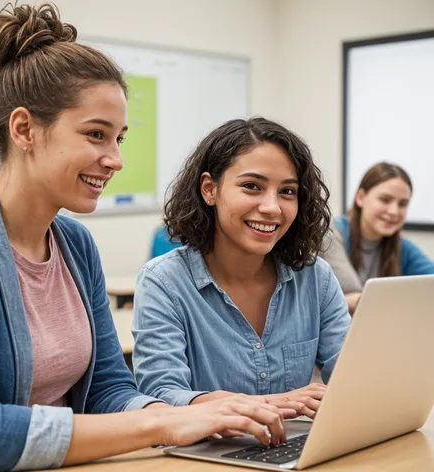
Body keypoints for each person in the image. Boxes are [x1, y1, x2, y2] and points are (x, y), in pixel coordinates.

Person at [0, 5, 287, 471]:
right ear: (24, 129)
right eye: (97, 135)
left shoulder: (75, 245)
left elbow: (107, 388)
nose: (115, 159)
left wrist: (191, 414)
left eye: (119, 139)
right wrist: (161, 426)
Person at [132, 117, 352, 418]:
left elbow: (353, 378)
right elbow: (162, 396)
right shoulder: (164, 281)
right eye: (252, 186)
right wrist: (271, 405)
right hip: (205, 455)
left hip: (290, 451)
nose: (272, 207)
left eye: (287, 192)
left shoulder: (316, 277)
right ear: (209, 189)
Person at [321, 162, 434, 314]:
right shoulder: (331, 235)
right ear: (360, 197)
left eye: (402, 204)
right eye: (385, 200)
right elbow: (358, 298)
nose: (394, 211)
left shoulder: (401, 247)